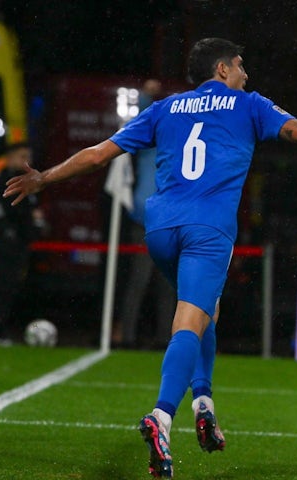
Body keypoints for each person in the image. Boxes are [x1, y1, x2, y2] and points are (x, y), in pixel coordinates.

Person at [2, 38, 297, 478]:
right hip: (209, 229)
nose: (246, 74)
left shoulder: (164, 108)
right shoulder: (247, 104)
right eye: (241, 66)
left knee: (206, 311)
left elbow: (97, 155)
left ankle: (203, 402)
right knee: (189, 320)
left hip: (161, 229)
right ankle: (162, 416)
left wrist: (45, 177)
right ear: (222, 69)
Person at [116, 79, 175, 350]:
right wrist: (145, 96)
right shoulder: (148, 139)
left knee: (167, 286)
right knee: (139, 282)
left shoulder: (177, 143)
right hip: (145, 219)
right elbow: (141, 118)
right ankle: (128, 336)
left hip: (170, 221)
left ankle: (165, 338)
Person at [0, 142, 46, 346]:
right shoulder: (4, 179)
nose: (25, 161)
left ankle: (4, 329)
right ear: (10, 157)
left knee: (13, 287)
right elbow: (8, 212)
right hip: (6, 242)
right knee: (5, 286)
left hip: (20, 241)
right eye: (21, 156)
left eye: (27, 156)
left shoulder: (27, 180)